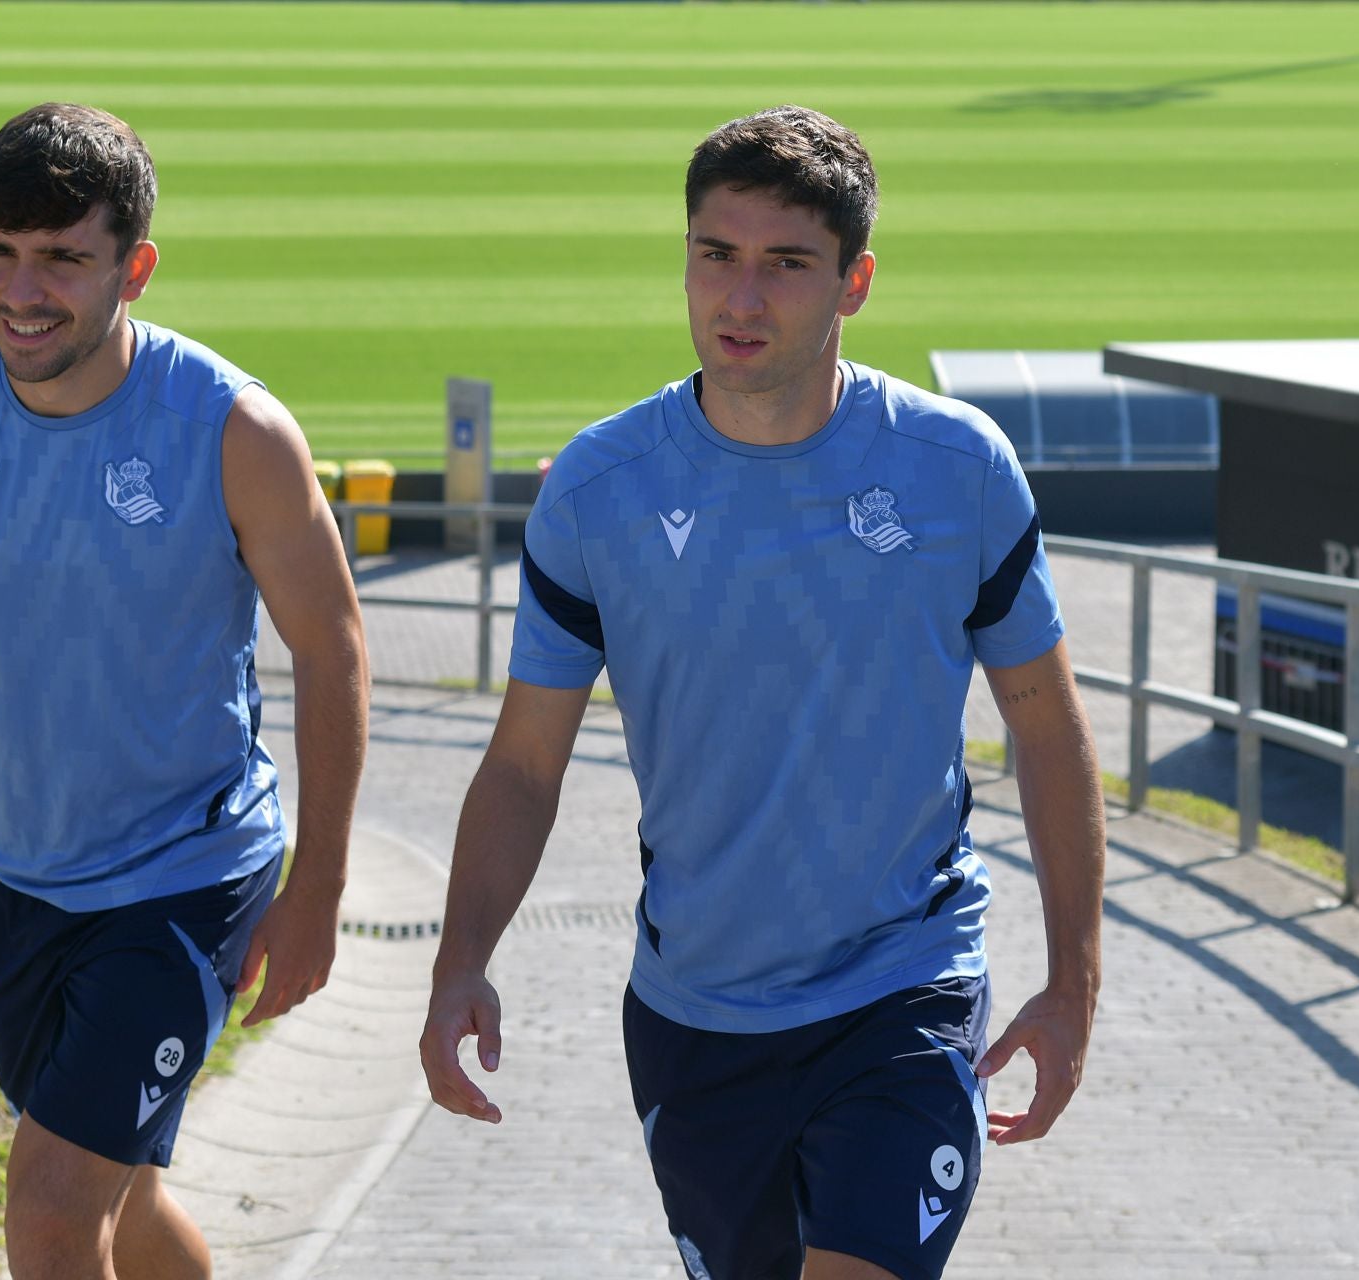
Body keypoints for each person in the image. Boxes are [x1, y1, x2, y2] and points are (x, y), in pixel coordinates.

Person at [420, 105, 1104, 1280]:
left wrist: (1073, 983)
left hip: (906, 984)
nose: (742, 298)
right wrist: (459, 959)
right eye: (716, 256)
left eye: (786, 264)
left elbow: (1047, 731)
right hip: (698, 1018)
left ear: (855, 282)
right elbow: (527, 763)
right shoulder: (598, 489)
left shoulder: (958, 469)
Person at [0, 102, 368, 1280]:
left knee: (50, 1206)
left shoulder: (233, 429)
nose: (20, 289)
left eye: (62, 256)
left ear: (134, 267)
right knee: (122, 1196)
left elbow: (332, 646)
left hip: (189, 877)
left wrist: (318, 890)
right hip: (20, 878)